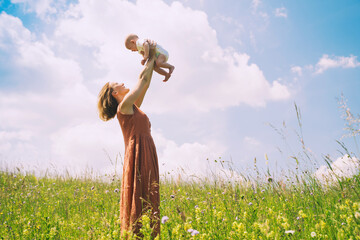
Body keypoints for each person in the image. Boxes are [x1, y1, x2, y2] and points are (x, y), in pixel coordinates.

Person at [97, 49, 160, 239]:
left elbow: (145, 83)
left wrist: (152, 61)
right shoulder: (123, 108)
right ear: (115, 92)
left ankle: (149, 233)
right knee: (140, 193)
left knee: (149, 192)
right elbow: (140, 82)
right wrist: (151, 56)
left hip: (146, 150)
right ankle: (138, 234)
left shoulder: (132, 106)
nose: (123, 83)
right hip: (138, 152)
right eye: (118, 84)